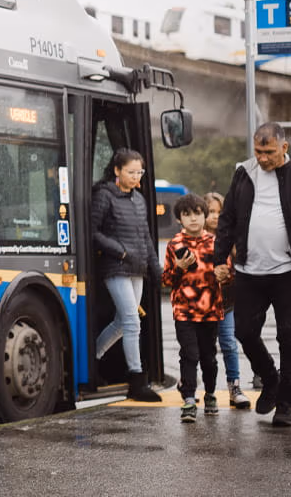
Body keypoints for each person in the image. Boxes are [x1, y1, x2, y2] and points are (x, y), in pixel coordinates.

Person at [213, 122, 291, 427]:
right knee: (244, 332)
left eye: (269, 152)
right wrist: (220, 259)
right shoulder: (244, 173)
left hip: (287, 273)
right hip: (248, 272)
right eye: (258, 151)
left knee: (288, 338)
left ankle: (285, 403)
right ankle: (270, 378)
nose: (263, 158)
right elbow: (226, 220)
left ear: (284, 147)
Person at [91, 148, 162, 402]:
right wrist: (120, 252)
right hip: (116, 268)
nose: (135, 177)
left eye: (139, 172)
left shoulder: (139, 199)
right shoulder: (104, 196)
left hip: (137, 268)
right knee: (133, 322)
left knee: (123, 323)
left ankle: (92, 359)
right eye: (131, 172)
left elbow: (146, 239)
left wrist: (157, 271)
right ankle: (137, 381)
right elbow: (93, 232)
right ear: (117, 171)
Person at [163, 194, 225, 423]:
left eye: (197, 213)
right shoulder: (175, 244)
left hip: (211, 311)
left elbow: (227, 274)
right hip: (184, 311)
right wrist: (179, 268)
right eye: (186, 214)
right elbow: (167, 279)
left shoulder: (216, 242)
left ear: (205, 215)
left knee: (209, 357)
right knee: (189, 355)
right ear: (179, 219)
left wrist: (225, 274)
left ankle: (210, 394)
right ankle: (189, 399)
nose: (193, 219)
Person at [204, 192, 252, 410]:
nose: (215, 217)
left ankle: (234, 387)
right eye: (210, 212)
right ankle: (190, 383)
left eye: (219, 212)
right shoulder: (196, 239)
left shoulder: (232, 240)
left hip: (227, 303)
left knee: (229, 344)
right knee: (199, 347)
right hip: (201, 303)